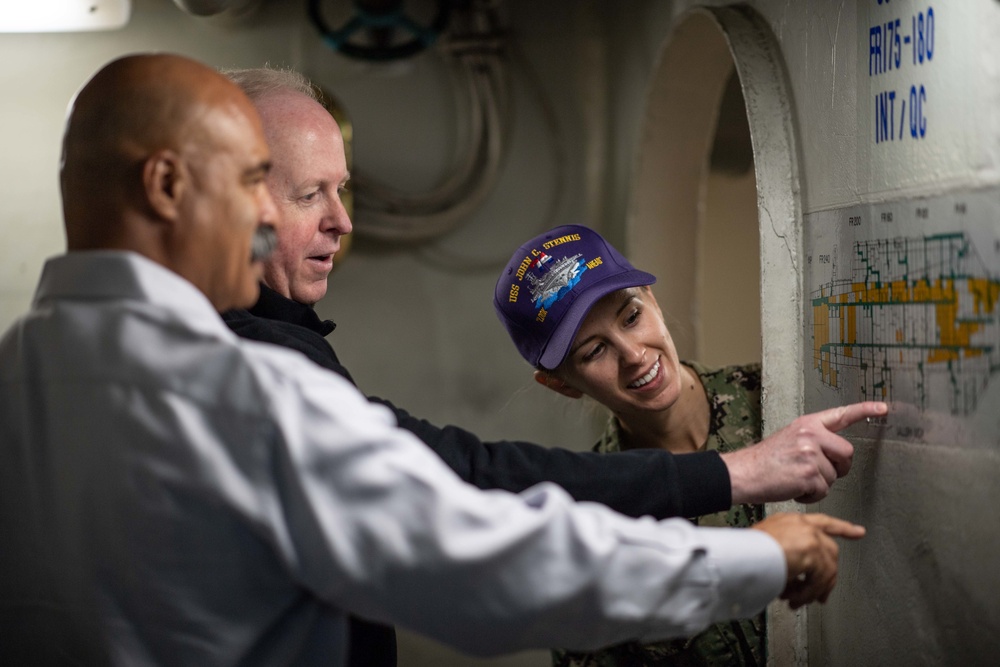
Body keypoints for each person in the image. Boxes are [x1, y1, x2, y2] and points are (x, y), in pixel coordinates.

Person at [0, 53, 874, 667]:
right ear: (164, 186)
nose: (268, 222)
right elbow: (487, 562)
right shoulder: (237, 392)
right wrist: (761, 559)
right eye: (255, 187)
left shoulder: (16, 375)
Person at [494, 224, 775, 665]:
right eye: (593, 351)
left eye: (631, 317)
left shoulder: (778, 403)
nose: (634, 354)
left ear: (654, 300)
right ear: (560, 385)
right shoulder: (591, 524)